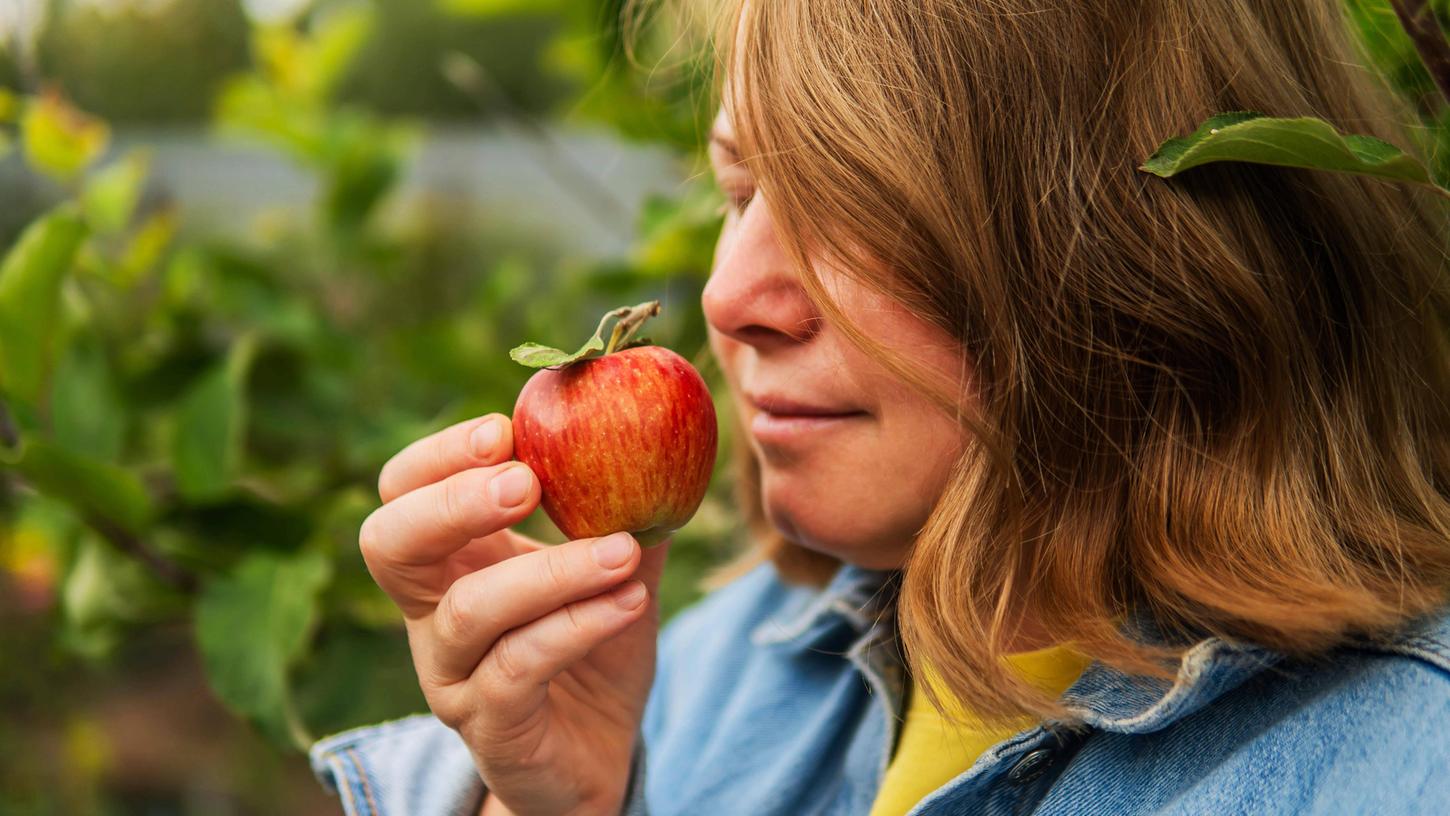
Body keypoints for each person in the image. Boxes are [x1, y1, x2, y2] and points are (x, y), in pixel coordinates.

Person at [309, 1, 1450, 814]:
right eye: (739, 192)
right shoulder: (693, 678)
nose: (726, 297)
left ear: (1129, 250)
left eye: (847, 203)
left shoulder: (1402, 769)